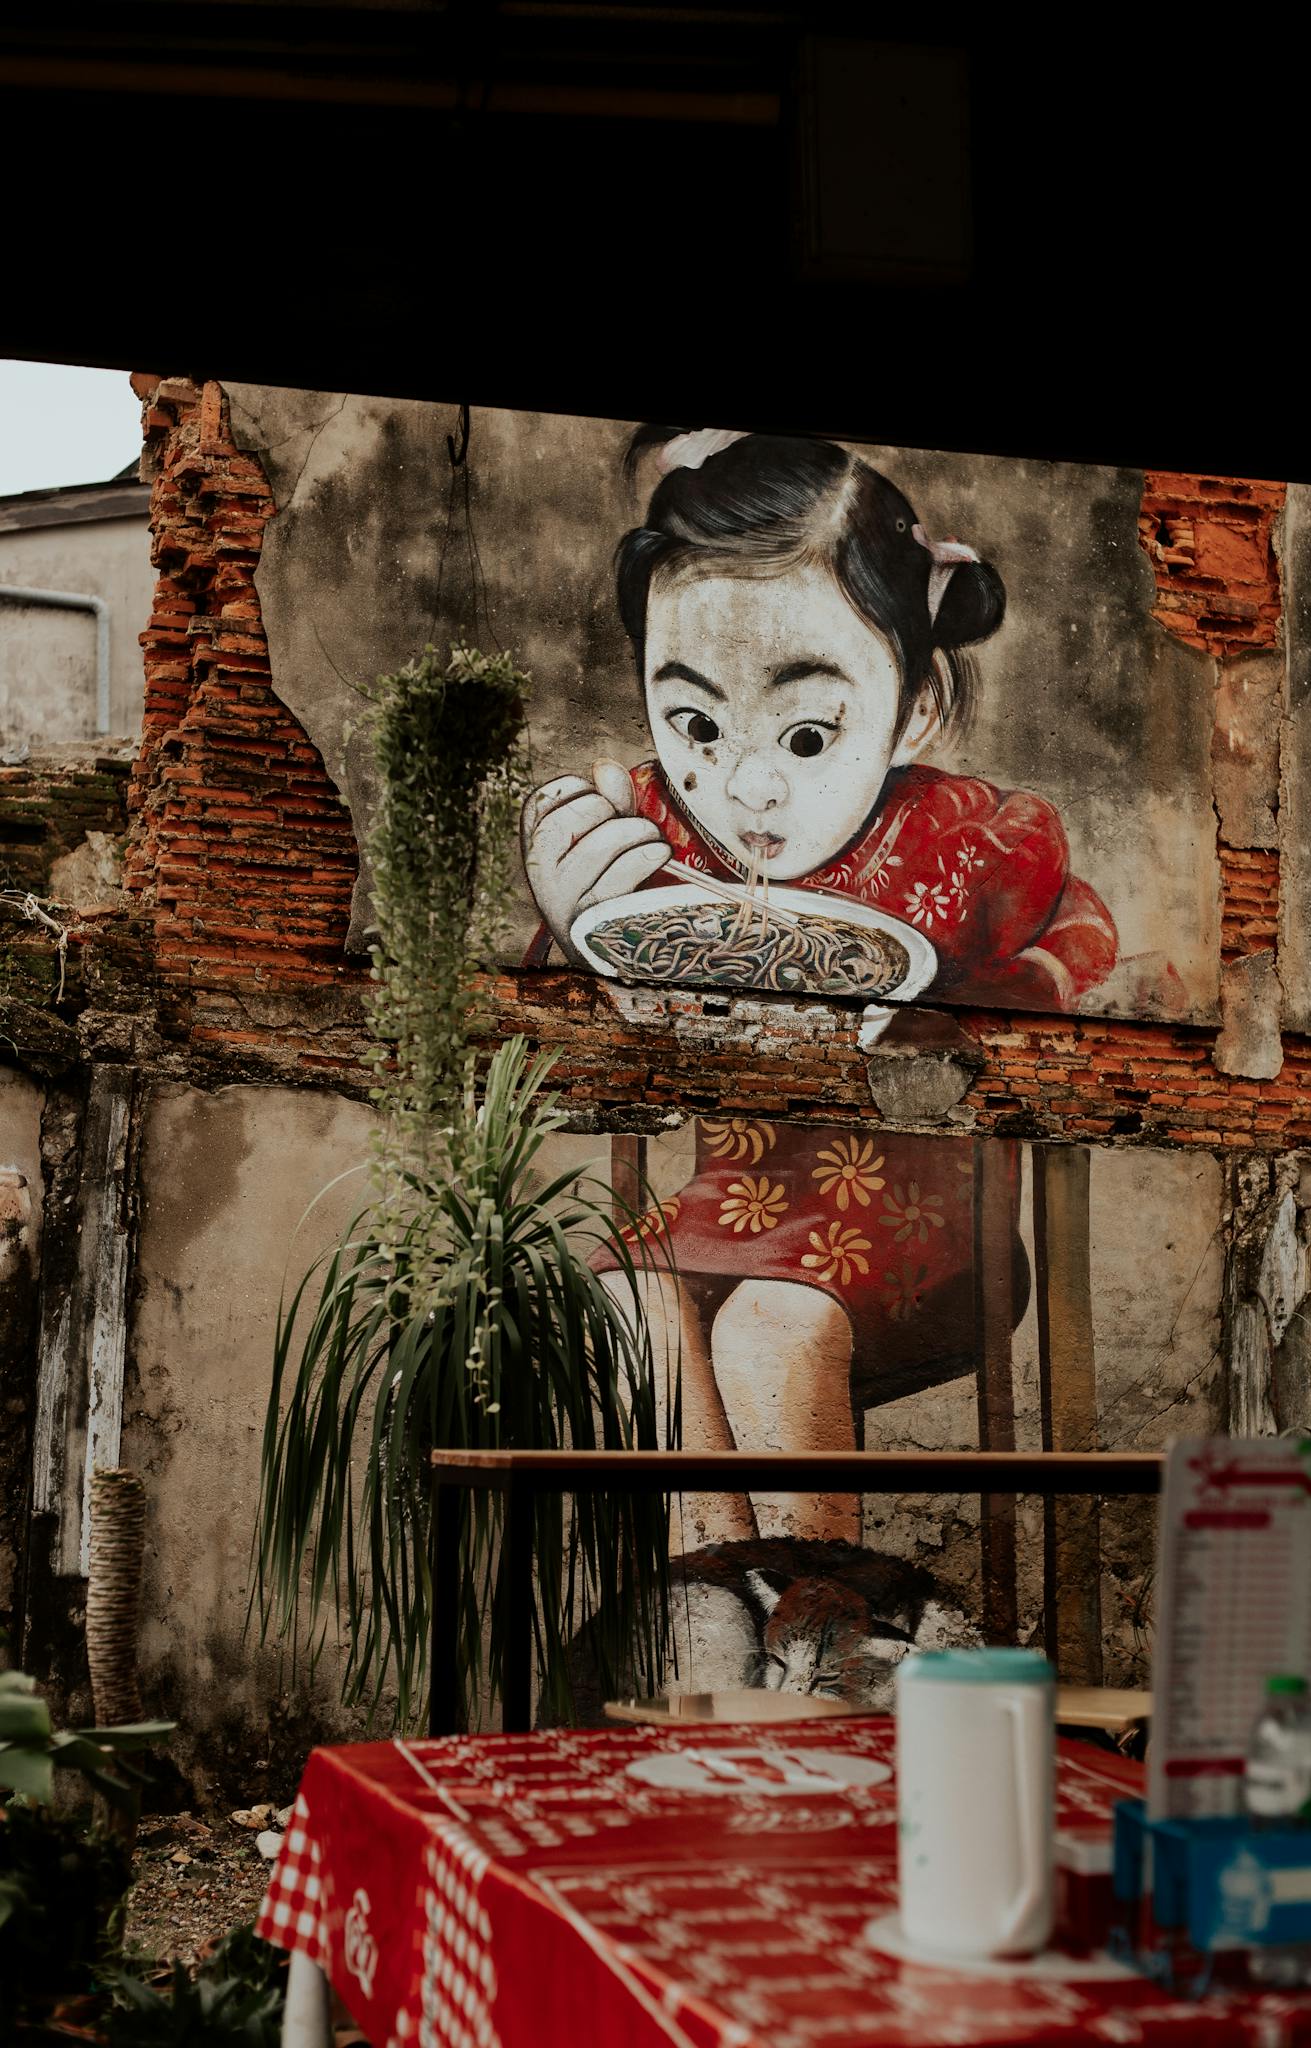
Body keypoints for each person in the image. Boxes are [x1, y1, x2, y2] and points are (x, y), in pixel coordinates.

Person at [522, 425, 1119, 1548]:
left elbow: (1080, 953)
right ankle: (729, 1602)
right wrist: (573, 921)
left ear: (918, 706)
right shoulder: (645, 835)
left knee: (768, 1332)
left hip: (920, 1221)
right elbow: (565, 1033)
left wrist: (970, 1007)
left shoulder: (965, 840)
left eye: (805, 731)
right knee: (623, 1304)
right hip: (717, 1208)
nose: (744, 783)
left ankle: (821, 1625)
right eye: (694, 719)